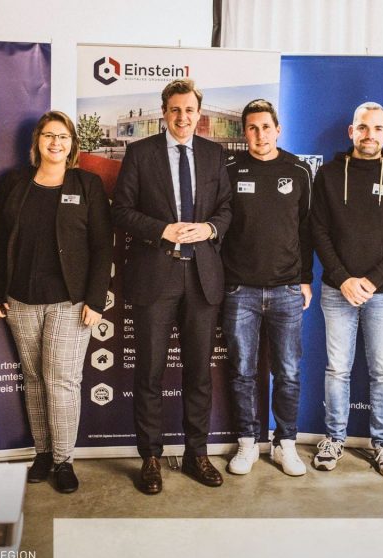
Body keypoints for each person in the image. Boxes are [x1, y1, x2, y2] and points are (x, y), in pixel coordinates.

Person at [112, 79, 232, 495]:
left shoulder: (214, 154)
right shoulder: (140, 154)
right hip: (155, 277)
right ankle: (150, 456)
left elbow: (227, 209)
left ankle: (197, 453)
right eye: (176, 110)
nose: (183, 117)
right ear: (164, 112)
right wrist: (162, 230)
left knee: (199, 373)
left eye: (190, 110)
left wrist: (211, 227)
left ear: (200, 114)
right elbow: (122, 211)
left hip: (202, 278)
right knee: (149, 373)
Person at [0, 110, 113, 494]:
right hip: (21, 300)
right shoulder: (14, 182)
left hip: (71, 302)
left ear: (73, 144)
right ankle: (42, 453)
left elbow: (101, 246)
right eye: (48, 136)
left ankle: (63, 460)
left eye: (63, 137)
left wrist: (95, 299)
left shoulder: (87, 184)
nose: (55, 143)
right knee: (34, 379)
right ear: (37, 142)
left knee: (61, 381)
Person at [309, 102, 383, 477]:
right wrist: (344, 279)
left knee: (382, 370)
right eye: (363, 127)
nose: (370, 134)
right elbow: (318, 231)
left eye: (377, 128)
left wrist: (371, 281)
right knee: (337, 369)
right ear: (351, 132)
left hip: (382, 293)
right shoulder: (327, 174)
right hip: (336, 291)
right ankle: (334, 438)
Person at [222, 99, 313, 477]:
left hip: (287, 290)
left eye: (266, 127)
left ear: (278, 129)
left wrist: (306, 278)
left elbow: (307, 230)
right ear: (244, 134)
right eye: (252, 128)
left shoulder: (299, 170)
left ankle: (285, 443)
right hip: (239, 290)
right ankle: (248, 443)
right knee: (242, 371)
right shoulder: (229, 171)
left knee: (288, 371)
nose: (260, 134)